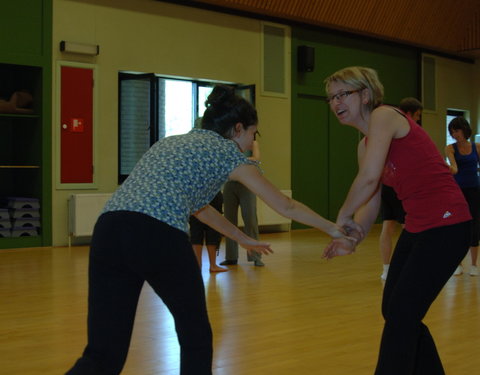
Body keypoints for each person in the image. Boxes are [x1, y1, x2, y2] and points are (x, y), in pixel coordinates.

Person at [65, 84, 349, 375]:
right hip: (157, 233)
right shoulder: (228, 153)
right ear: (238, 128)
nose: (252, 142)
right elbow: (286, 206)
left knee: (103, 352)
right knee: (196, 338)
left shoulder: (171, 142)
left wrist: (242, 239)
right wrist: (334, 229)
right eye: (253, 134)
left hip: (109, 229)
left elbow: (202, 209)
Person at [322, 67, 471, 375]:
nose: (336, 102)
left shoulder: (384, 116)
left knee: (402, 313)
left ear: (365, 94)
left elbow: (369, 179)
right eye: (331, 98)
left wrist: (342, 215)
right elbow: (372, 198)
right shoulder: (363, 145)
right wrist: (353, 235)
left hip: (448, 224)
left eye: (342, 94)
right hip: (419, 227)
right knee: (395, 310)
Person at [378, 97, 423, 281]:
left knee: (387, 227)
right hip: (398, 187)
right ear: (410, 114)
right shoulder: (405, 132)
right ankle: (407, 269)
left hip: (386, 186)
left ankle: (387, 270)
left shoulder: (388, 130)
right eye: (418, 115)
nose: (418, 120)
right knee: (409, 228)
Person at [445, 116, 480, 276]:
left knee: (475, 226)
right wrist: (447, 167)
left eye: (456, 131)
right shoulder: (450, 148)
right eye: (452, 132)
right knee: (457, 225)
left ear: (464, 130)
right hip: (457, 191)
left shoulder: (477, 147)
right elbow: (454, 168)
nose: (454, 134)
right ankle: (457, 264)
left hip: (474, 190)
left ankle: (473, 264)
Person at [221, 136, 263, 266]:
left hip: (247, 184)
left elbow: (255, 158)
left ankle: (256, 257)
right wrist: (243, 160)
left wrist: (238, 159)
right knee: (229, 221)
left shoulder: (252, 142)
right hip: (230, 184)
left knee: (250, 219)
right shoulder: (229, 143)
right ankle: (231, 257)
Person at [189, 192, 228, 272]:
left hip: (200, 194)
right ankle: (207, 265)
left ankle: (206, 265)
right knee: (200, 229)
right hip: (202, 194)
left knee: (206, 230)